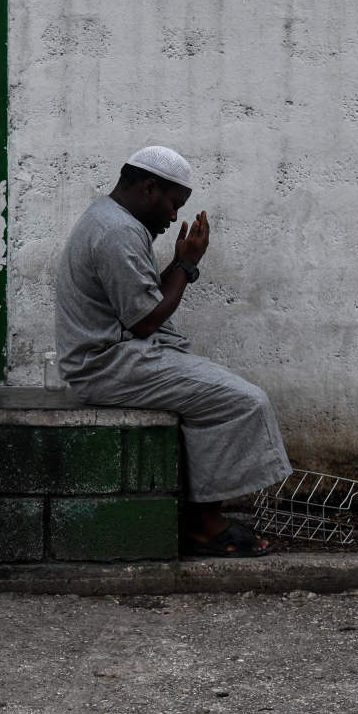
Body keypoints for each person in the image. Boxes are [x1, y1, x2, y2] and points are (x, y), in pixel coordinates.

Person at [54, 145, 293, 557]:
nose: (172, 217)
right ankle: (203, 526)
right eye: (173, 204)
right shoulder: (118, 232)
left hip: (120, 356)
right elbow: (145, 320)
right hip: (107, 365)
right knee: (244, 402)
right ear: (150, 188)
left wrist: (182, 263)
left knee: (221, 391)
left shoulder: (111, 219)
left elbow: (142, 302)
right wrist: (186, 265)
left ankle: (197, 513)